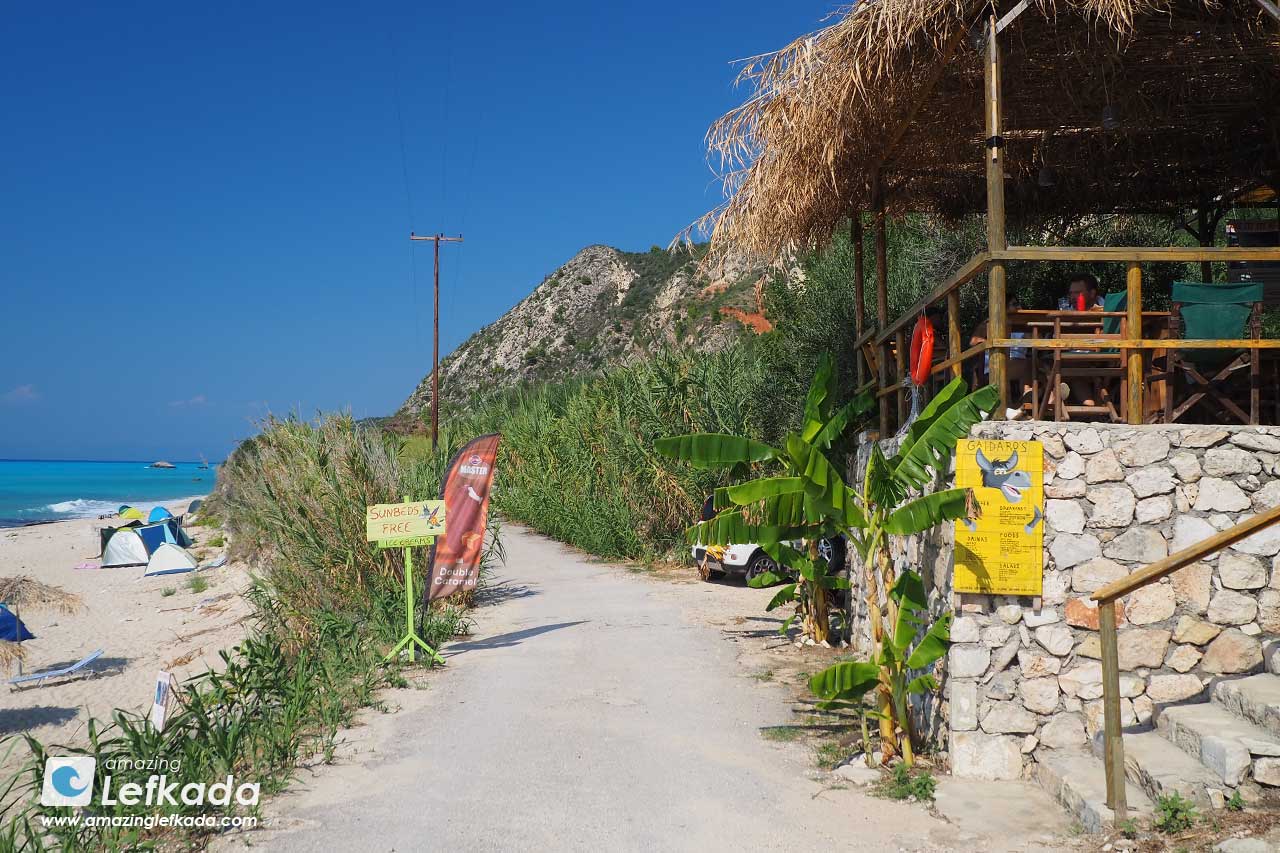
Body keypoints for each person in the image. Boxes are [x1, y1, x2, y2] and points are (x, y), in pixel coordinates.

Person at [970, 295, 1030, 417]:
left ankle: (1033, 403)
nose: (1018, 307)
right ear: (1005, 307)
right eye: (1014, 304)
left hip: (1019, 362)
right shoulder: (990, 323)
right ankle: (1018, 406)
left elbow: (1035, 341)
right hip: (998, 360)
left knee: (1039, 365)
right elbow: (973, 341)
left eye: (1019, 304)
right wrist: (989, 342)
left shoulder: (1024, 323)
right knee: (1031, 366)